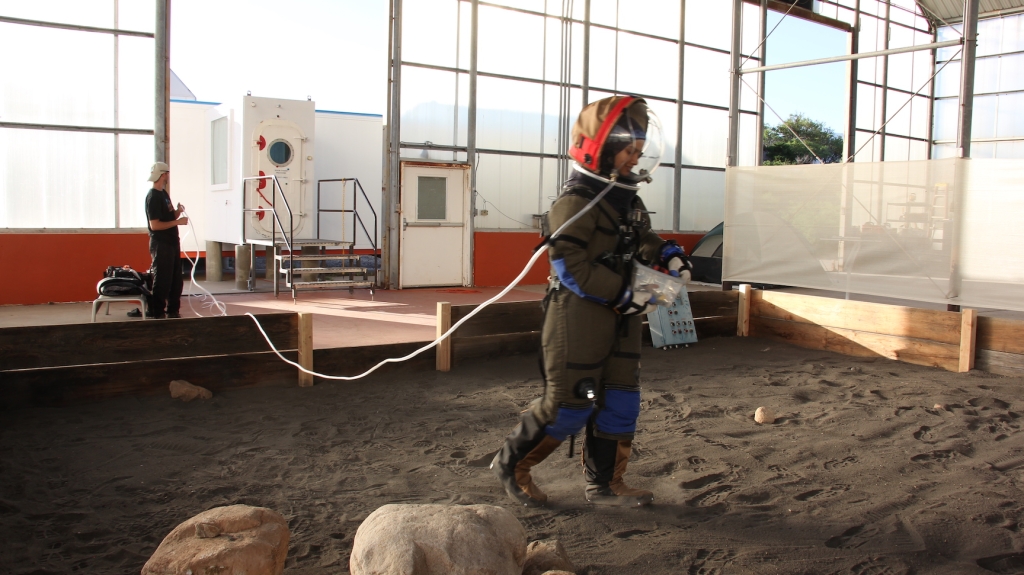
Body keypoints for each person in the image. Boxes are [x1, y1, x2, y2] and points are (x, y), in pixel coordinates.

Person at [491, 96, 692, 508]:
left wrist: (667, 253)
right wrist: (626, 294)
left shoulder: (627, 202)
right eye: (627, 150)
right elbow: (569, 265)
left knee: (620, 401)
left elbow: (641, 239)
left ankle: (606, 486)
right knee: (572, 403)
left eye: (638, 151)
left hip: (622, 317)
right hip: (579, 318)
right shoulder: (575, 202)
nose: (633, 159)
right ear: (599, 148)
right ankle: (513, 465)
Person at [139, 162, 188, 319]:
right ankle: (158, 311)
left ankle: (173, 310)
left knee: (176, 279)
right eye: (167, 173)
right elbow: (155, 225)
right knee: (162, 279)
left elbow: (168, 216)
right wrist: (178, 222)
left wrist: (177, 212)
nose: (168, 176)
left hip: (172, 242)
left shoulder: (164, 194)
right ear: (163, 175)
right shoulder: (153, 197)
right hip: (161, 243)